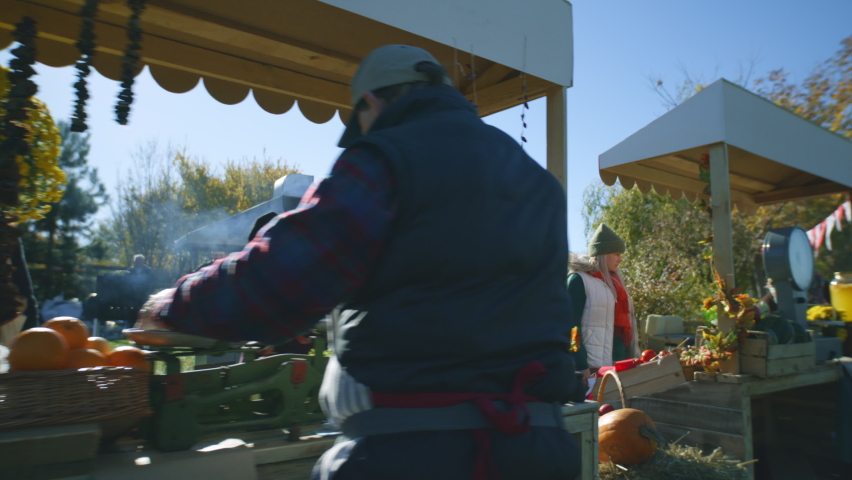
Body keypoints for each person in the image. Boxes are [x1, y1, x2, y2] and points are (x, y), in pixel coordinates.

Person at [138, 44, 581, 480]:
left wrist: (173, 303)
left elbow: (280, 279)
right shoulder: (538, 182)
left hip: (415, 454)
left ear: (371, 102)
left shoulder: (386, 157)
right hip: (537, 450)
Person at [567, 224, 640, 384]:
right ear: (603, 254)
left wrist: (621, 362)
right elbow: (572, 328)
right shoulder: (579, 280)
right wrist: (580, 365)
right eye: (616, 254)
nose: (620, 259)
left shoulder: (613, 285)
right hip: (589, 369)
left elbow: (617, 331)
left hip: (611, 368)